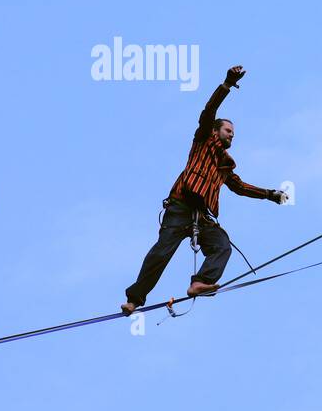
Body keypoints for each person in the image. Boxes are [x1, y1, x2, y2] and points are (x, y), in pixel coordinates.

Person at [121, 66, 288, 315]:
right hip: (180, 207)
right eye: (228, 130)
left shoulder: (225, 165)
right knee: (161, 252)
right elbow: (209, 111)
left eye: (233, 133)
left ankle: (199, 282)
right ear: (215, 131)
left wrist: (270, 194)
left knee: (222, 245)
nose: (232, 135)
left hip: (202, 216)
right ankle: (134, 299)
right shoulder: (202, 141)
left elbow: (240, 187)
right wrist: (227, 84)